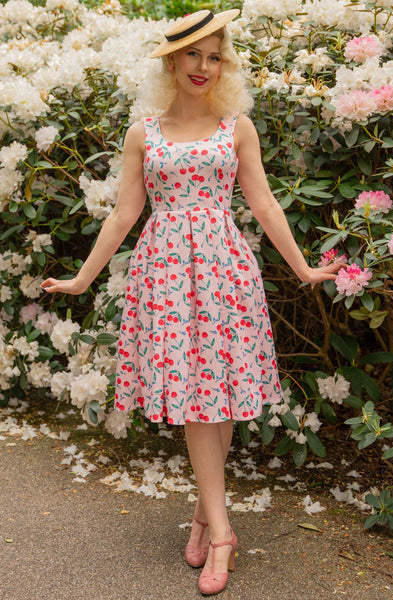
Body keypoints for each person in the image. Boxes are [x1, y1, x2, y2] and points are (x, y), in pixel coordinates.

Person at [41, 9, 344, 595]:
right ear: (171, 61)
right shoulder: (143, 133)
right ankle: (223, 529)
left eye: (214, 56)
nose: (204, 66)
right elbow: (126, 213)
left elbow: (264, 203)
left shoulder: (236, 127)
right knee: (197, 398)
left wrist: (305, 268)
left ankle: (209, 513)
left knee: (217, 397)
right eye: (192, 55)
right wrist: (81, 279)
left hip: (226, 272)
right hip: (166, 276)